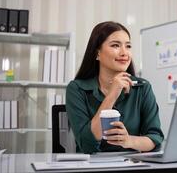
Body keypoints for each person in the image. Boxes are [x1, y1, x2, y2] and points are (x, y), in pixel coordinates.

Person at [66, 21, 164, 154]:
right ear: (97, 53)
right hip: (93, 166)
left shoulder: (143, 88)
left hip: (132, 165)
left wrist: (128, 140)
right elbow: (86, 144)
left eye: (128, 46)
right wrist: (112, 95)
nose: (125, 53)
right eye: (115, 45)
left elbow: (155, 138)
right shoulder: (76, 88)